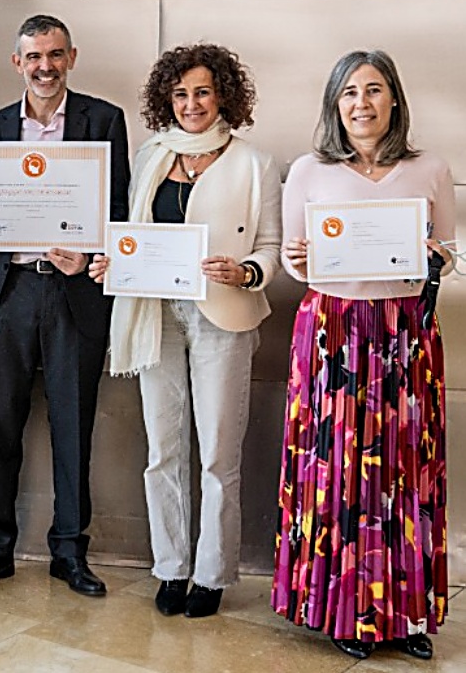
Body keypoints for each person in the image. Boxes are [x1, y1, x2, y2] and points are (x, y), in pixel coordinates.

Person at [88, 44, 281, 619]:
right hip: (155, 315)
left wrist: (247, 272)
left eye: (202, 91)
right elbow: (129, 235)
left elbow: (269, 248)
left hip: (223, 315)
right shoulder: (150, 154)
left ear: (222, 93)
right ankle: (171, 568)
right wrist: (112, 265)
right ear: (165, 100)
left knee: (219, 455)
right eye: (180, 94)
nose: (191, 104)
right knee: (162, 450)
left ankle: (212, 573)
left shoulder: (253, 162)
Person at [271, 51, 452, 661]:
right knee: (339, 470)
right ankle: (343, 610)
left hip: (405, 332)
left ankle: (408, 614)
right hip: (332, 330)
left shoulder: (429, 169)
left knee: (404, 470)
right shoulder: (308, 170)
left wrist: (436, 256)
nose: (362, 104)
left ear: (394, 99)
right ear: (334, 104)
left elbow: (450, 253)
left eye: (374, 90)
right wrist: (297, 261)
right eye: (349, 93)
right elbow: (295, 261)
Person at [0, 15, 130, 595]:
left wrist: (93, 253)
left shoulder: (104, 120)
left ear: (71, 56)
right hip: (8, 292)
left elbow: (118, 204)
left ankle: (70, 554)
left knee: (74, 427)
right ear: (17, 62)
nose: (44, 66)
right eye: (34, 57)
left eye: (54, 55)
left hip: (74, 292)